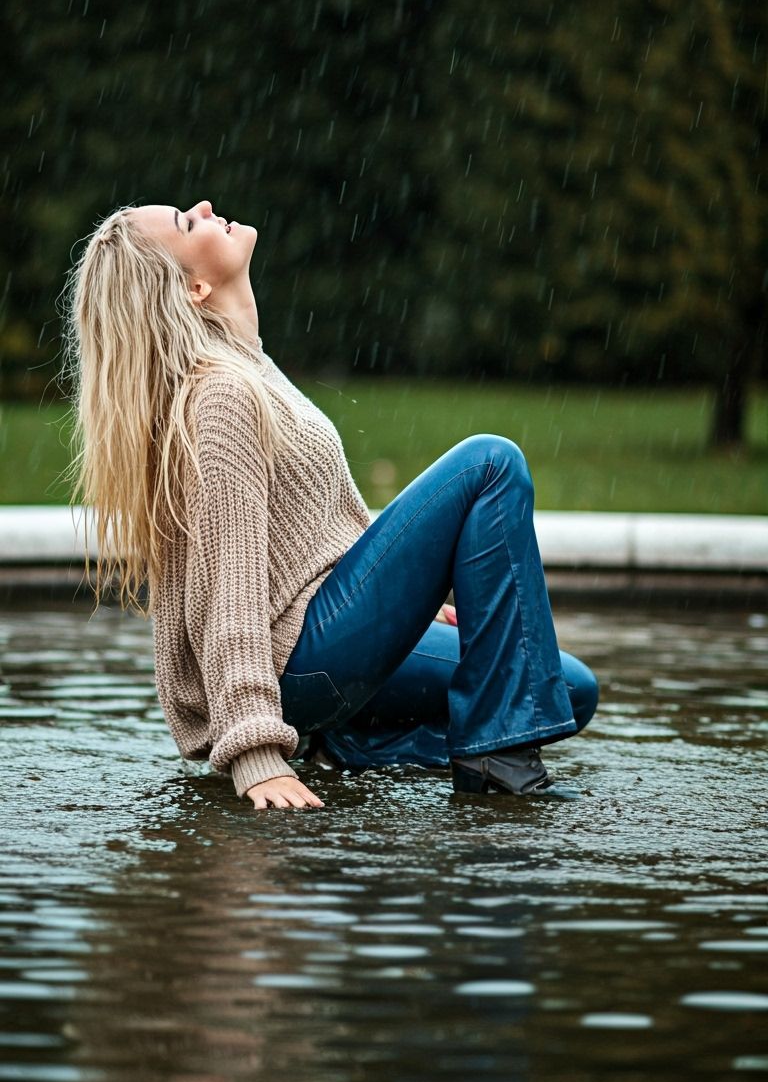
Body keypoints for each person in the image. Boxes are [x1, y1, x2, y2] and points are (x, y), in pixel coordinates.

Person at [61, 199, 598, 813]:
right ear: (194, 288)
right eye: (188, 222)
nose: (205, 208)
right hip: (298, 661)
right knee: (490, 464)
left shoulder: (249, 369)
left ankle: (348, 746)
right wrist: (254, 753)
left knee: (557, 687)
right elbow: (229, 588)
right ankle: (495, 765)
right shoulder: (221, 397)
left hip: (325, 641)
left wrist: (416, 601)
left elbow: (319, 529)